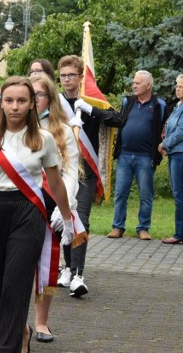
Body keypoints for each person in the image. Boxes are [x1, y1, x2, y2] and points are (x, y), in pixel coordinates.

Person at [0, 76, 74, 353]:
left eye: (22, 100)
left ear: (32, 104)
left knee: (16, 283)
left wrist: (67, 220)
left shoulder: (43, 139)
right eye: (9, 100)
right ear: (1, 103)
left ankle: (0, 346)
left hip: (28, 212)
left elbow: (55, 182)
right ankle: (20, 331)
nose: (15, 107)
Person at [57, 55, 121, 296]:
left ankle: (78, 274)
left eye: (71, 75)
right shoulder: (57, 102)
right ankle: (66, 267)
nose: (66, 80)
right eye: (63, 75)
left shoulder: (91, 100)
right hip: (62, 169)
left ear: (81, 77)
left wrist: (90, 110)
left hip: (85, 170)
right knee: (62, 218)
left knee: (79, 218)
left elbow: (117, 120)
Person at [30, 74, 80, 343]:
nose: (35, 99)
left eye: (40, 94)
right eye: (31, 94)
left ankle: (41, 322)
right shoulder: (14, 126)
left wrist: (66, 207)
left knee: (46, 266)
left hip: (50, 206)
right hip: (19, 205)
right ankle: (10, 322)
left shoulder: (62, 129)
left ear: (50, 98)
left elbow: (71, 173)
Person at [107, 70, 167, 241]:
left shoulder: (159, 105)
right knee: (120, 193)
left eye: (138, 83)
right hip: (125, 155)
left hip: (145, 157)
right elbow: (119, 120)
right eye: (133, 82)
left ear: (148, 85)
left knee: (146, 195)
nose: (134, 85)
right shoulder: (127, 102)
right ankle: (118, 227)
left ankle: (143, 228)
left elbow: (164, 127)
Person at [159, 74, 183, 244]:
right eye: (177, 86)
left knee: (179, 194)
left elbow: (181, 131)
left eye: (181, 87)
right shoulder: (178, 106)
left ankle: (179, 234)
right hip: (175, 153)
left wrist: (164, 144)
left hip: (180, 153)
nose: (177, 89)